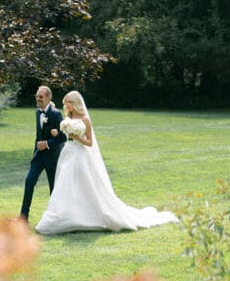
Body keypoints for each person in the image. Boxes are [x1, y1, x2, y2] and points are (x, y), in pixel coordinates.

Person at [35, 90, 178, 234]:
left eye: (70, 102)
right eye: (66, 102)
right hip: (68, 153)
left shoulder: (85, 120)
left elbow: (90, 143)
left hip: (80, 155)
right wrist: (58, 133)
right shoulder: (68, 117)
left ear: (76, 103)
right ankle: (62, 215)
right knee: (64, 183)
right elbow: (65, 136)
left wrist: (77, 137)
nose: (67, 104)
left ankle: (83, 217)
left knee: (82, 184)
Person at [19, 85, 65, 222]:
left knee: (53, 188)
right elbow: (39, 135)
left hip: (52, 157)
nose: (38, 99)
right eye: (37, 96)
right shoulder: (37, 112)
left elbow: (63, 137)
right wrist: (37, 149)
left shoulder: (56, 114)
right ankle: (23, 217)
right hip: (38, 156)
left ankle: (54, 218)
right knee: (29, 182)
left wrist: (48, 144)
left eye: (41, 97)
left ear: (48, 98)